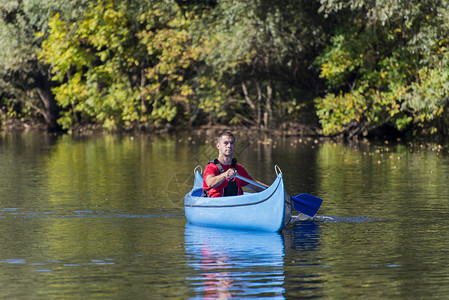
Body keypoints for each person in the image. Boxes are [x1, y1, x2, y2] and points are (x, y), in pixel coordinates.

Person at [203, 131, 268, 197]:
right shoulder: (211, 167)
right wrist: (225, 175)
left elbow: (255, 186)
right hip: (215, 205)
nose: (229, 146)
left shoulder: (239, 168)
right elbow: (210, 183)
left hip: (236, 204)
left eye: (232, 143)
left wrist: (274, 189)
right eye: (225, 143)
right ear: (218, 146)